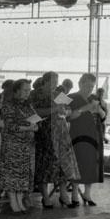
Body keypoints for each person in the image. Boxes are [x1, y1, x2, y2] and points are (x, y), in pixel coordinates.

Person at [32, 71, 79, 207]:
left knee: (63, 163)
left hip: (61, 132)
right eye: (52, 82)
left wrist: (65, 111)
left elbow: (69, 110)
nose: (54, 84)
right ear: (45, 81)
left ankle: (63, 195)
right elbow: (34, 112)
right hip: (45, 133)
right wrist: (54, 109)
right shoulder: (35, 94)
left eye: (56, 82)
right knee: (44, 166)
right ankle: (45, 197)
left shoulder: (59, 94)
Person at [0, 79, 38, 213]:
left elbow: (35, 119)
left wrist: (35, 126)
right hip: (12, 145)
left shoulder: (28, 106)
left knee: (23, 174)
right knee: (12, 173)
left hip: (26, 145)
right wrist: (27, 128)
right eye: (25, 90)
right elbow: (9, 126)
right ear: (16, 91)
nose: (28, 93)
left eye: (29, 90)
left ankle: (20, 201)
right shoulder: (8, 106)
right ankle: (13, 201)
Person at [68, 73, 105, 206]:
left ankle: (87, 193)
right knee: (78, 163)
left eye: (92, 86)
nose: (90, 89)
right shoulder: (71, 97)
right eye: (87, 86)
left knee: (91, 164)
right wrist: (85, 108)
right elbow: (69, 116)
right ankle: (74, 194)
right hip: (78, 135)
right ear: (80, 84)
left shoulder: (94, 98)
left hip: (94, 134)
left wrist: (99, 110)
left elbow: (103, 116)